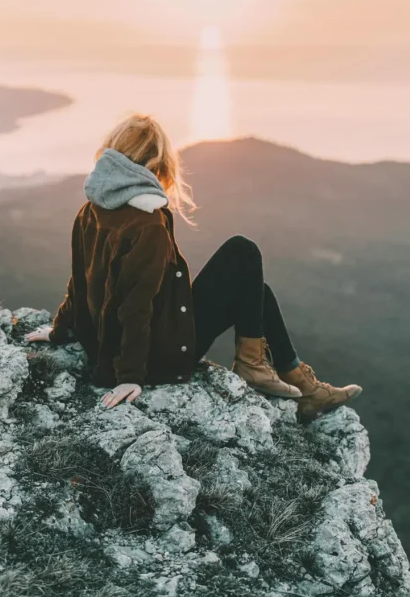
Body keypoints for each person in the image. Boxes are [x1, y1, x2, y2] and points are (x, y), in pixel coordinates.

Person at [26, 113, 362, 420]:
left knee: (255, 292)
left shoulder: (90, 209)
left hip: (112, 345)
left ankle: (301, 385)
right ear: (155, 164)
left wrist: (61, 329)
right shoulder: (148, 223)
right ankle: (253, 366)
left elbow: (80, 281)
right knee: (242, 251)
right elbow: (135, 304)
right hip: (159, 356)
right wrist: (130, 375)